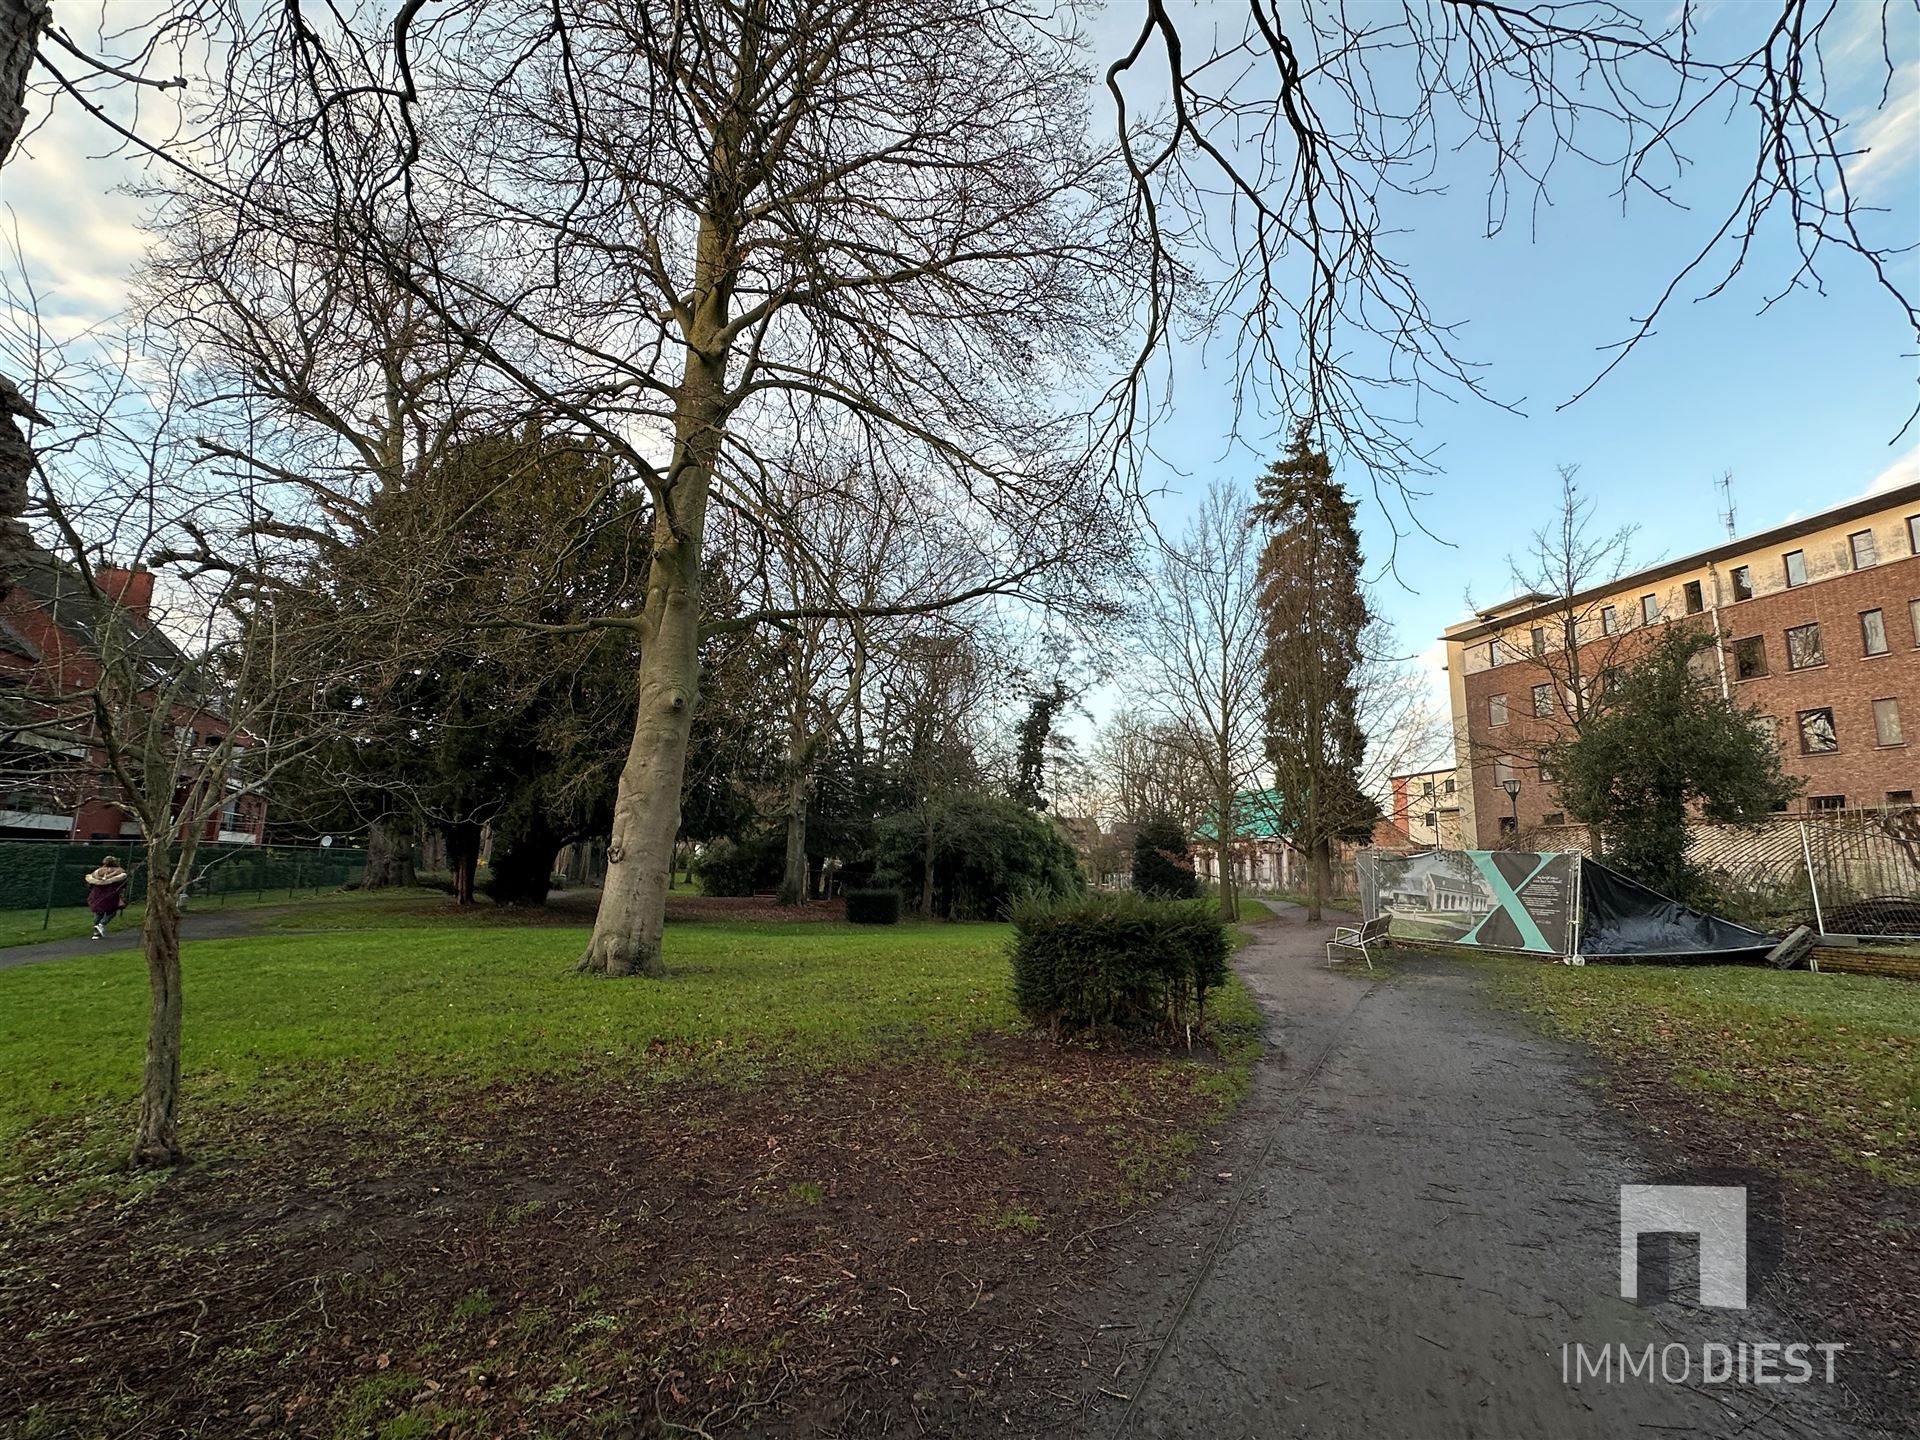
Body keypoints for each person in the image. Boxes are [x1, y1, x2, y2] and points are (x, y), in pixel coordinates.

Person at [84, 856, 130, 939]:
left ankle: (96, 933)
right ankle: (101, 925)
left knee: (99, 912)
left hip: (96, 894)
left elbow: (90, 883)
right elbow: (123, 882)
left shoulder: (97, 871)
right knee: (111, 912)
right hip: (110, 894)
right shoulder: (119, 871)